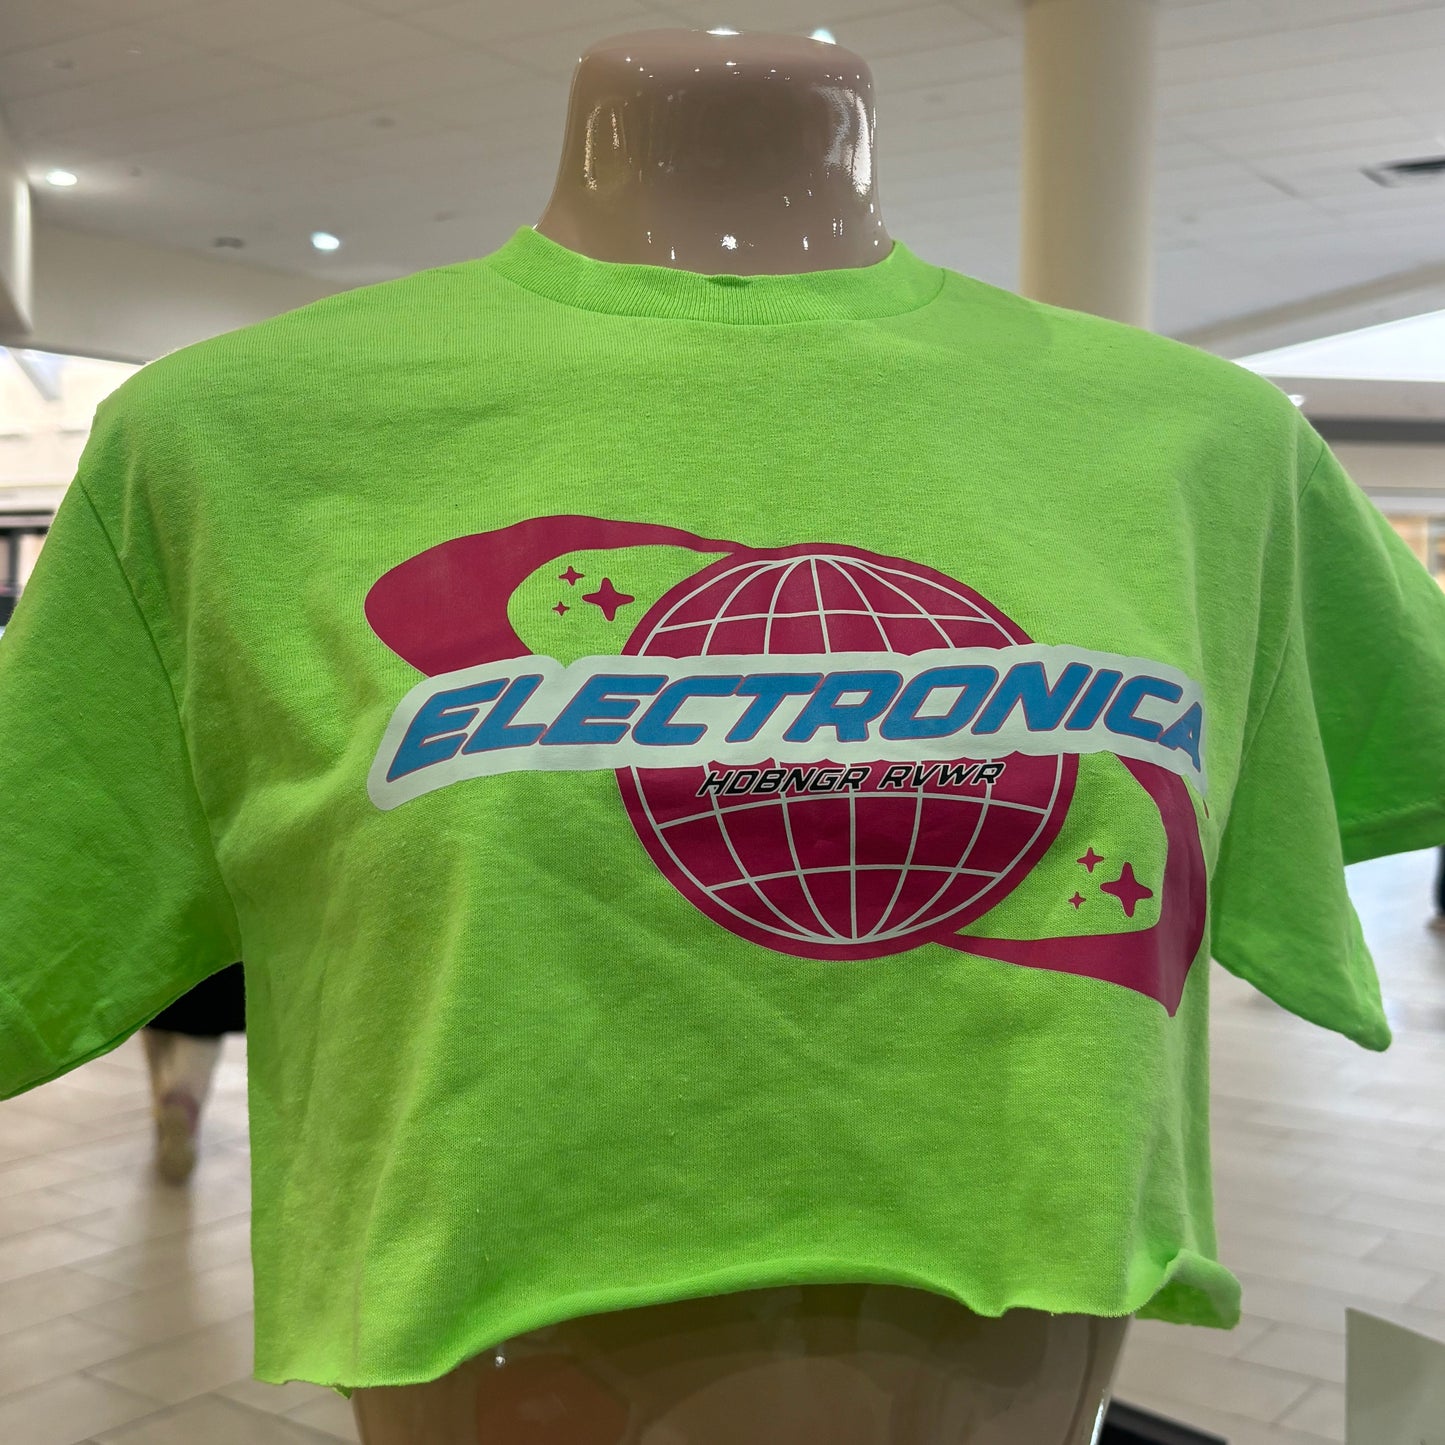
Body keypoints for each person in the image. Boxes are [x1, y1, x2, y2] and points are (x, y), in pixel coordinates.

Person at [140, 962, 244, 1182]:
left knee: (152, 1019)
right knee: (205, 1027)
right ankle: (182, 1102)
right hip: (212, 954)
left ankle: (162, 1103)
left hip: (156, 952)